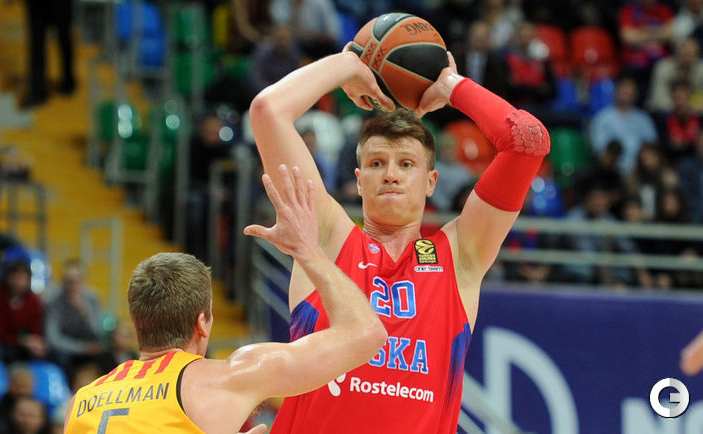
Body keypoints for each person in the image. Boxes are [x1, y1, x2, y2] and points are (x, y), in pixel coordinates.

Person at [249, 46, 549, 432]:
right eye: (377, 163)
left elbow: (527, 142)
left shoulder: (460, 255)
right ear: (359, 181)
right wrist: (349, 65)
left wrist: (450, 86)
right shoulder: (324, 236)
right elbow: (268, 110)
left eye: (406, 164)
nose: (390, 174)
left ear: (431, 182)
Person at [63, 166, 387, 433]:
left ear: (136, 322)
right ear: (202, 323)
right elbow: (367, 334)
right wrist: (307, 250)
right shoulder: (228, 378)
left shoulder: (83, 400)